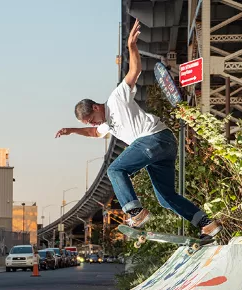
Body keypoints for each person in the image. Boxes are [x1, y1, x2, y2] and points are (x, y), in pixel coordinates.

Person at [55, 17, 222, 239]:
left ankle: (135, 212)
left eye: (92, 118)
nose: (94, 123)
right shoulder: (105, 124)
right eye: (89, 122)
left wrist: (132, 47)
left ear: (95, 107)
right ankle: (207, 224)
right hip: (163, 147)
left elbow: (134, 71)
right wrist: (71, 130)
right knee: (166, 197)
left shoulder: (116, 98)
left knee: (115, 169)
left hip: (153, 139)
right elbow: (94, 133)